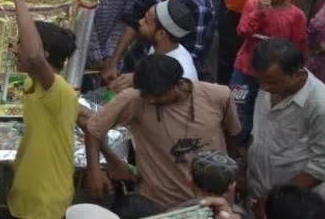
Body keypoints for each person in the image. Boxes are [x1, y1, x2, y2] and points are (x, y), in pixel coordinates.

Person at [85, 54, 239, 211]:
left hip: (213, 204)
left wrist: (232, 173)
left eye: (157, 95)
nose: (150, 100)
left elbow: (233, 135)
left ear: (178, 84)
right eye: (146, 94)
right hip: (159, 205)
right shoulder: (136, 100)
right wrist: (95, 170)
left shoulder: (218, 96)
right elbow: (93, 129)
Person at [6, 0, 80, 219]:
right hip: (27, 194)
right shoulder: (32, 83)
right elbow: (85, 118)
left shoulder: (59, 90)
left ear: (45, 55)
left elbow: (34, 56)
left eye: (20, 44)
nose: (14, 49)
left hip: (43, 204)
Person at [245, 39, 325, 207]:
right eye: (260, 81)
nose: (264, 88)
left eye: (271, 82)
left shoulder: (323, 108)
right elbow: (258, 132)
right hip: (257, 191)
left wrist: (277, 199)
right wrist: (244, 172)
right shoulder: (271, 84)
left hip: (292, 206)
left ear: (298, 74)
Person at [231, 0, 307, 139]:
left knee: (266, 110)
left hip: (272, 74)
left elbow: (297, 46)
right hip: (245, 67)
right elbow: (243, 31)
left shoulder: (296, 16)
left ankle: (255, 144)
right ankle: (236, 144)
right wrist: (258, 13)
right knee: (238, 107)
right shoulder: (252, 4)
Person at [111, 0, 200, 87]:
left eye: (146, 21)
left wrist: (138, 81)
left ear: (161, 34)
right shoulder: (158, 46)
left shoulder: (181, 76)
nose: (140, 22)